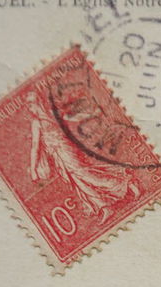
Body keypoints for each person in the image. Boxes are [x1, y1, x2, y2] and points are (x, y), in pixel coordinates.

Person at [26, 91, 138, 223]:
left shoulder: (45, 118)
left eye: (30, 103)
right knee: (77, 181)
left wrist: (34, 170)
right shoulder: (46, 116)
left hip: (66, 150)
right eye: (28, 104)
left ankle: (124, 182)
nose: (29, 107)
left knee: (84, 175)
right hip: (59, 156)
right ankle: (103, 206)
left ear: (37, 102)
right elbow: (36, 146)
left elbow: (36, 146)